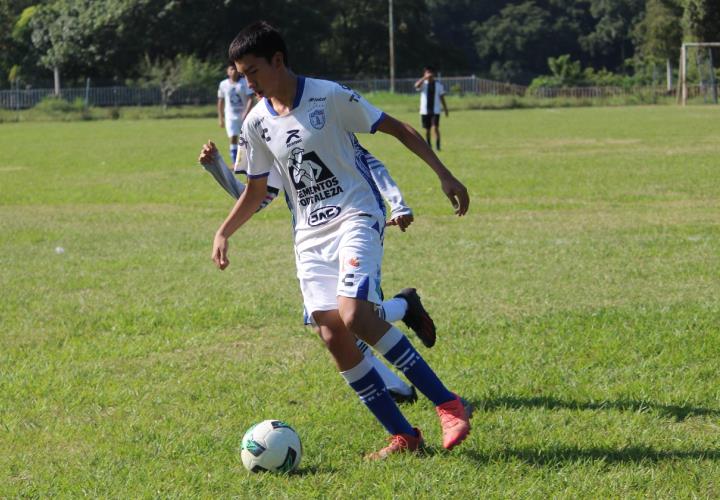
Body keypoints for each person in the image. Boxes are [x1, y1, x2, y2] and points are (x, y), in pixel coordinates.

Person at [212, 21, 470, 459]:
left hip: (356, 214)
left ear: (278, 61)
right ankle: (404, 435)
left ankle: (448, 404)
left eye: (253, 71)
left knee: (355, 315)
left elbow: (399, 129)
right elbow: (257, 190)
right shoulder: (257, 121)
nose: (247, 83)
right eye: (241, 73)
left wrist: (444, 175)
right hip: (309, 236)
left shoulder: (327, 95)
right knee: (332, 334)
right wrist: (224, 230)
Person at [198, 141, 439, 403]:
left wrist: (398, 203)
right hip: (315, 241)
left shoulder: (321, 110)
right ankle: (399, 364)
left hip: (354, 226)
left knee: (354, 316)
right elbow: (256, 197)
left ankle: (430, 391)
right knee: (327, 322)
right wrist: (217, 168)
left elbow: (369, 162)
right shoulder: (266, 130)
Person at [217, 62, 255, 164]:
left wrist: (246, 113)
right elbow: (220, 101)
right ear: (227, 72)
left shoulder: (244, 82)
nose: (233, 71)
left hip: (245, 116)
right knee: (233, 137)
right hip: (230, 116)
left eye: (235, 69)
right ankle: (236, 163)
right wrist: (221, 118)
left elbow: (251, 98)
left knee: (246, 139)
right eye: (231, 69)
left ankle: (249, 161)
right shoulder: (223, 84)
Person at [414, 66, 449, 151]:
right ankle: (429, 146)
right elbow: (416, 85)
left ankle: (438, 146)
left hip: (435, 111)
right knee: (427, 130)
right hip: (424, 111)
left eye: (430, 72)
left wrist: (445, 109)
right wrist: (424, 78)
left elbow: (442, 98)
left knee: (435, 127)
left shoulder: (438, 85)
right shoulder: (423, 84)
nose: (429, 74)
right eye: (427, 72)